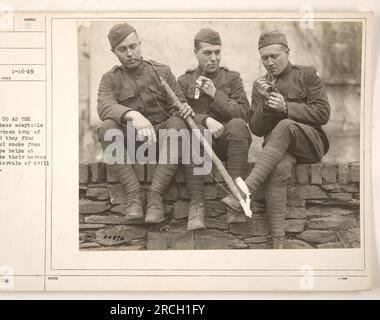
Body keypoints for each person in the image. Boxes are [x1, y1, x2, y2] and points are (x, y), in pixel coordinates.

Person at [222, 30, 331, 248]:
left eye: (275, 56)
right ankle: (278, 241)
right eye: (264, 58)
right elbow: (256, 129)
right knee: (279, 169)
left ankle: (245, 190)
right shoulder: (259, 85)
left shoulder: (307, 74)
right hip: (279, 150)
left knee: (285, 124)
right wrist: (262, 103)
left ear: (287, 52)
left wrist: (286, 107)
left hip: (311, 144)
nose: (269, 62)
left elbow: (323, 113)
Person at [96, 23, 195, 224]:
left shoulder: (161, 71)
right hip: (132, 146)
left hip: (163, 146)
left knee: (177, 124)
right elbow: (104, 106)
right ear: (113, 52)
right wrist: (132, 115)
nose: (130, 53)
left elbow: (178, 104)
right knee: (107, 128)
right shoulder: (110, 79)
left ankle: (155, 196)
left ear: (140, 44)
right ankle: (134, 194)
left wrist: (184, 109)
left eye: (133, 46)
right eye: (122, 49)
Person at [178, 28, 252, 230]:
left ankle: (235, 198)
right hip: (197, 147)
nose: (213, 58)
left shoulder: (232, 78)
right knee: (194, 132)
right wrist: (205, 120)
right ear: (195, 52)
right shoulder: (184, 81)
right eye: (207, 53)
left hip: (227, 144)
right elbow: (177, 116)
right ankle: (197, 205)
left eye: (217, 52)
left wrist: (215, 94)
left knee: (237, 125)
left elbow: (245, 114)